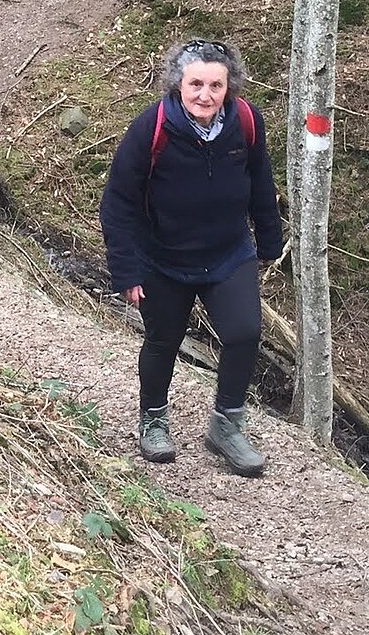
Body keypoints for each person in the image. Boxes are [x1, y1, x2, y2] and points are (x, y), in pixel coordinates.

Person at [100, 40, 283, 478]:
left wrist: (270, 241)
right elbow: (118, 202)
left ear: (229, 86)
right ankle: (153, 421)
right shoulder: (153, 127)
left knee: (244, 333)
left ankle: (226, 426)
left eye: (215, 85)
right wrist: (126, 270)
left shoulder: (246, 121)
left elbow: (261, 181)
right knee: (163, 340)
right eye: (196, 84)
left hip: (228, 252)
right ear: (178, 84)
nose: (205, 95)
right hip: (163, 257)